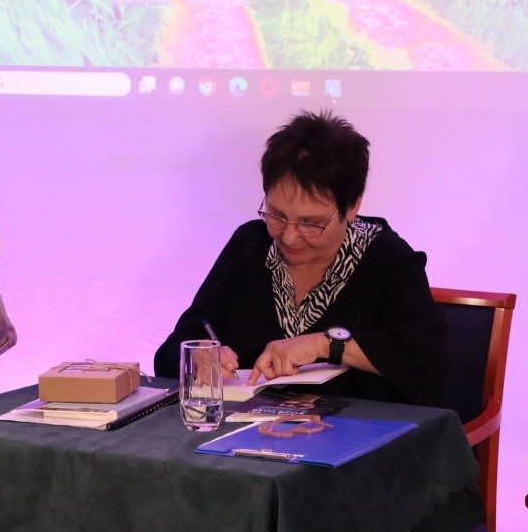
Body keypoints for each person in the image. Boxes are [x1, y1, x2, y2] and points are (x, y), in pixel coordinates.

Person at [154, 110, 448, 407]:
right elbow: (173, 351)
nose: (289, 237)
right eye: (277, 215)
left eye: (311, 223)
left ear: (352, 206)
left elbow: (428, 369)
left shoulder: (388, 260)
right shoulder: (250, 244)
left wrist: (326, 344)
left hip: (353, 432)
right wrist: (198, 358)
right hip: (241, 429)